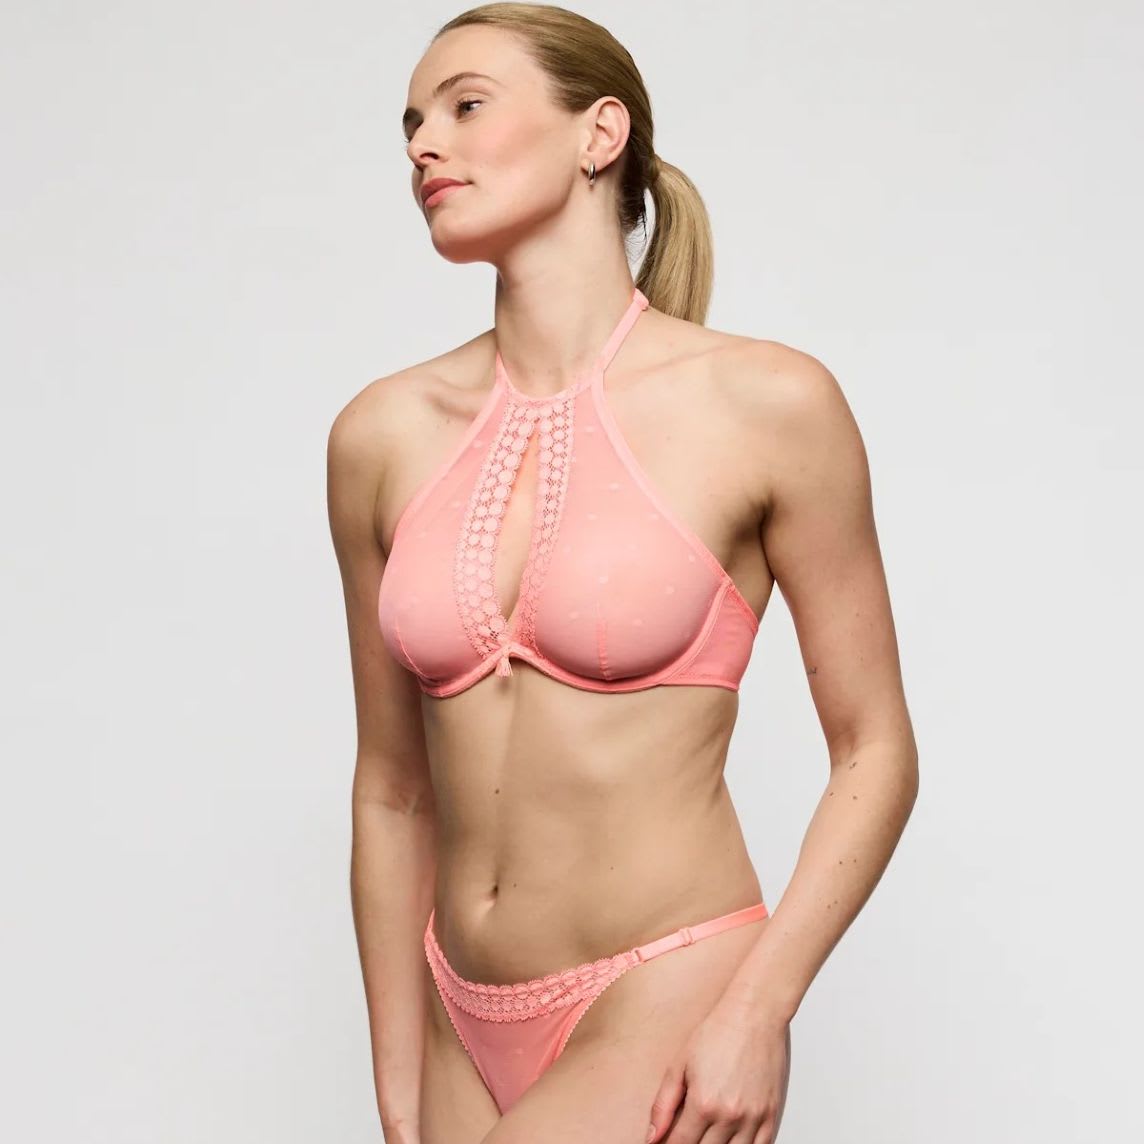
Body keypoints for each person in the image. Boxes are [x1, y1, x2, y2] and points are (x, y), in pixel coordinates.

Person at [325, 5, 919, 1143]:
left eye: (465, 105)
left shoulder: (767, 404)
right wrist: (396, 1081)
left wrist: (757, 1010)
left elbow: (875, 748)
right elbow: (391, 789)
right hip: (453, 1018)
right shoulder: (379, 435)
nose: (423, 145)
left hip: (667, 992)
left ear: (600, 133)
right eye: (410, 123)